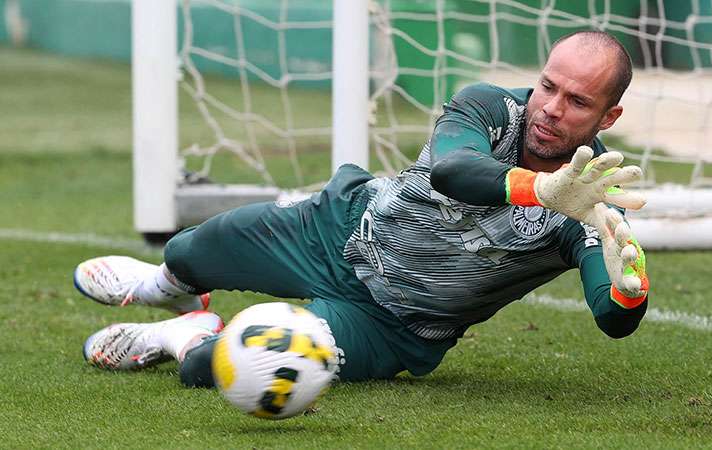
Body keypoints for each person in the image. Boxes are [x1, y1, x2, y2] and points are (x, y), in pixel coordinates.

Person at [74, 30, 650, 386]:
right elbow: (454, 171)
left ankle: (184, 335)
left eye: (577, 101)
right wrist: (541, 190)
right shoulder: (490, 106)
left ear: (608, 119)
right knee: (187, 248)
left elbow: (612, 317)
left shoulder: (597, 201)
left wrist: (629, 292)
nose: (549, 108)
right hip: (341, 227)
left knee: (216, 370)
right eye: (548, 86)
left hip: (391, 326)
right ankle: (163, 287)